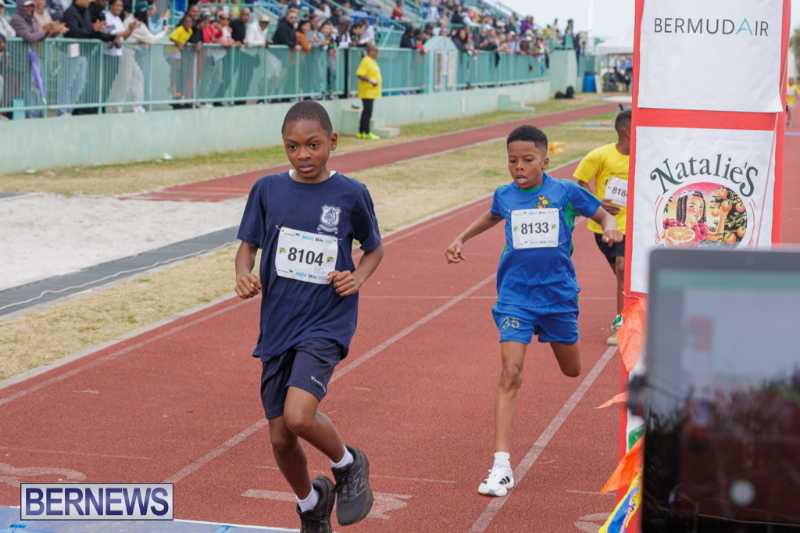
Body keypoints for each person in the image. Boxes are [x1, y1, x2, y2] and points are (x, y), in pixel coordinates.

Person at [445, 125, 621, 497]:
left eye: (527, 160)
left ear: (545, 160)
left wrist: (610, 226)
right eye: (512, 161)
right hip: (516, 297)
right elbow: (493, 215)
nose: (519, 167)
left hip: (557, 296)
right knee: (510, 372)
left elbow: (601, 214)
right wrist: (462, 236)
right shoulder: (505, 196)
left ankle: (549, 333)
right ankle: (501, 466)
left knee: (572, 370)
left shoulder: (565, 192)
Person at [235, 100, 382, 533]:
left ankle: (349, 463)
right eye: (293, 147)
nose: (303, 156)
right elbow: (248, 245)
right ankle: (311, 502)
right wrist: (243, 274)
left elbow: (374, 248)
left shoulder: (350, 194)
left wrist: (357, 278)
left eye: (313, 145)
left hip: (325, 321)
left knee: (300, 416)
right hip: (277, 325)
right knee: (281, 437)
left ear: (332, 142)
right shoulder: (267, 190)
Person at [574, 110, 631, 345]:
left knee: (622, 269)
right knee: (624, 278)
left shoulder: (644, 155)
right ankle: (635, 311)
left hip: (632, 226)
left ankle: (621, 325)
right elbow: (580, 181)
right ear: (627, 130)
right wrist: (598, 203)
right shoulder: (600, 155)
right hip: (603, 228)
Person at [355, 44, 380, 140]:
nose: (376, 53)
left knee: (367, 112)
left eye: (377, 51)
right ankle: (366, 132)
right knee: (368, 112)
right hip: (367, 91)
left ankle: (362, 132)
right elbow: (359, 74)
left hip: (371, 92)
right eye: (374, 51)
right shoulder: (366, 60)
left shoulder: (372, 61)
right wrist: (370, 81)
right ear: (369, 51)